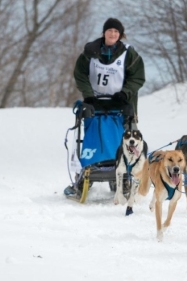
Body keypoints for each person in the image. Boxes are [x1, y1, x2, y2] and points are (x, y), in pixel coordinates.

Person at [64, 18, 145, 197]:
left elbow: (137, 77)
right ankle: (87, 168)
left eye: (116, 31)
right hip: (95, 102)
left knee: (125, 139)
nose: (113, 34)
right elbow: (80, 74)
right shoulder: (90, 52)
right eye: (110, 31)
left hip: (121, 103)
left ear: (120, 34)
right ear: (104, 32)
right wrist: (88, 95)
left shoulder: (128, 53)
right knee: (94, 135)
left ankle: (124, 174)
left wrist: (125, 93)